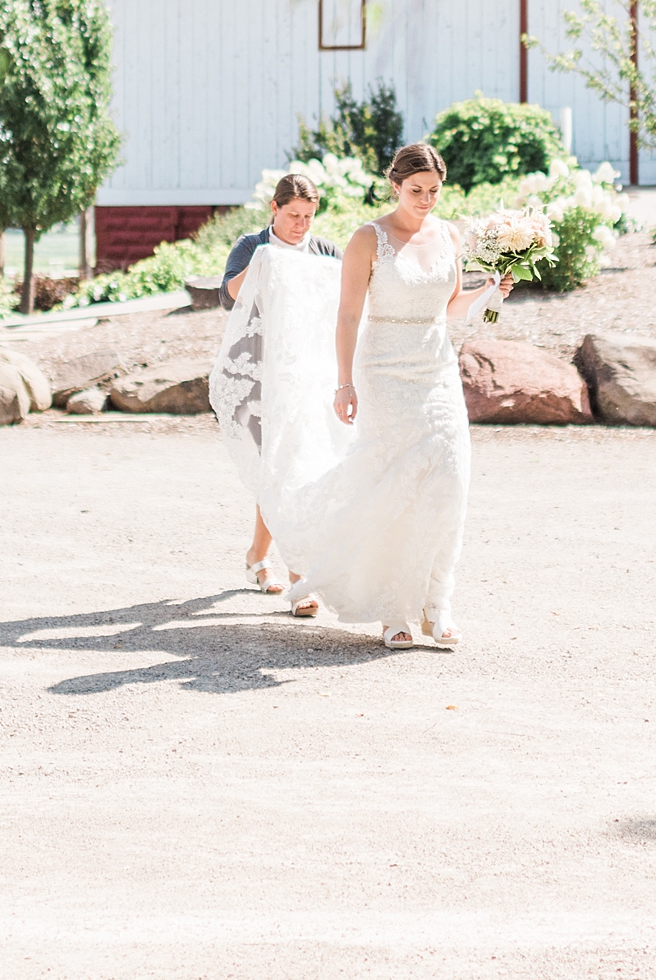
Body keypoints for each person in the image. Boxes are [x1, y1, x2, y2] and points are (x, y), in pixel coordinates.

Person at [291, 140, 511, 649]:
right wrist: (343, 382)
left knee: (449, 481)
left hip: (436, 368)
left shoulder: (448, 235)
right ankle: (395, 610)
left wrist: (489, 292)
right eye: (416, 190)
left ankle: (438, 605)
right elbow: (347, 315)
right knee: (397, 485)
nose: (426, 199)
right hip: (384, 369)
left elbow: (451, 307)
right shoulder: (368, 238)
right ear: (395, 186)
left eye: (434, 190)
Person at [216, 173, 341, 606]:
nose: (301, 225)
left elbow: (353, 291)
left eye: (308, 217)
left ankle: (275, 564)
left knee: (295, 467)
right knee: (276, 467)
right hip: (259, 375)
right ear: (274, 208)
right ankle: (284, 568)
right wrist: (266, 261)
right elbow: (230, 294)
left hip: (309, 373)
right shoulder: (252, 246)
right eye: (293, 216)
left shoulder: (324, 251)